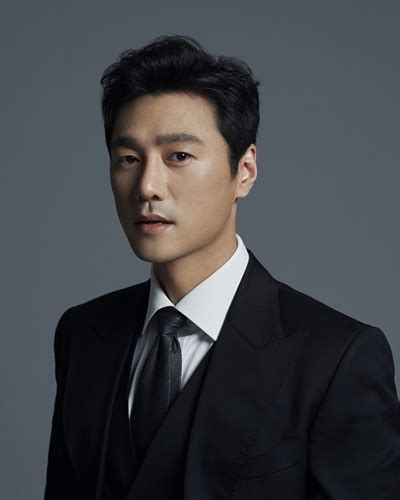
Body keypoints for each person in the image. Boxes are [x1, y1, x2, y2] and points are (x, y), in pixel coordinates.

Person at [44, 34, 400, 500]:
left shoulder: (336, 359)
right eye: (128, 159)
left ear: (244, 171)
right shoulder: (83, 334)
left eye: (179, 156)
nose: (147, 186)